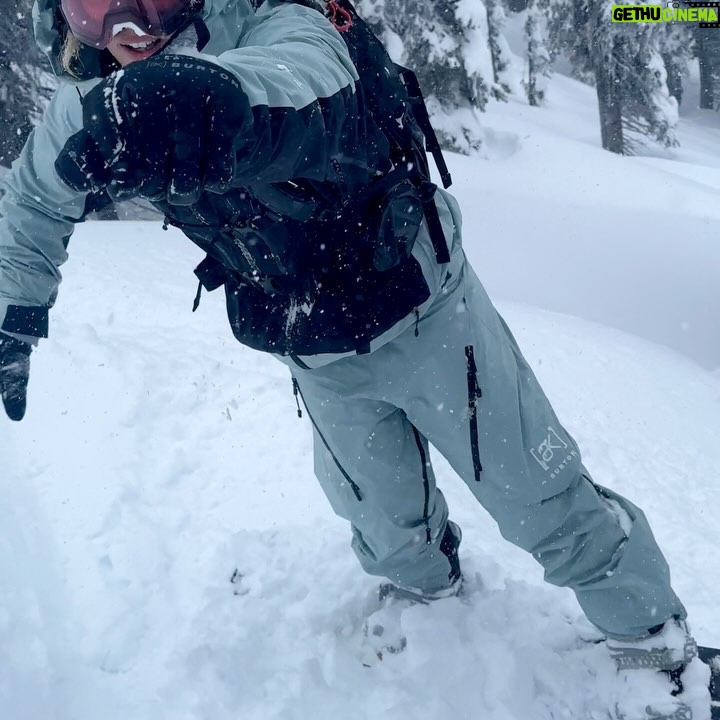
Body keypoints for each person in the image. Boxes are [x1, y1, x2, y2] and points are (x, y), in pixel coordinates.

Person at [0, 0, 710, 717]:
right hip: (307, 336)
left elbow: (305, 77)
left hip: (421, 304)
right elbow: (30, 200)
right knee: (376, 505)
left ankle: (654, 647)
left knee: (532, 487)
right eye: (93, 8)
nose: (126, 24)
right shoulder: (92, 103)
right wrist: (13, 317)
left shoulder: (273, 19)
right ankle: (424, 599)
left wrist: (212, 99)